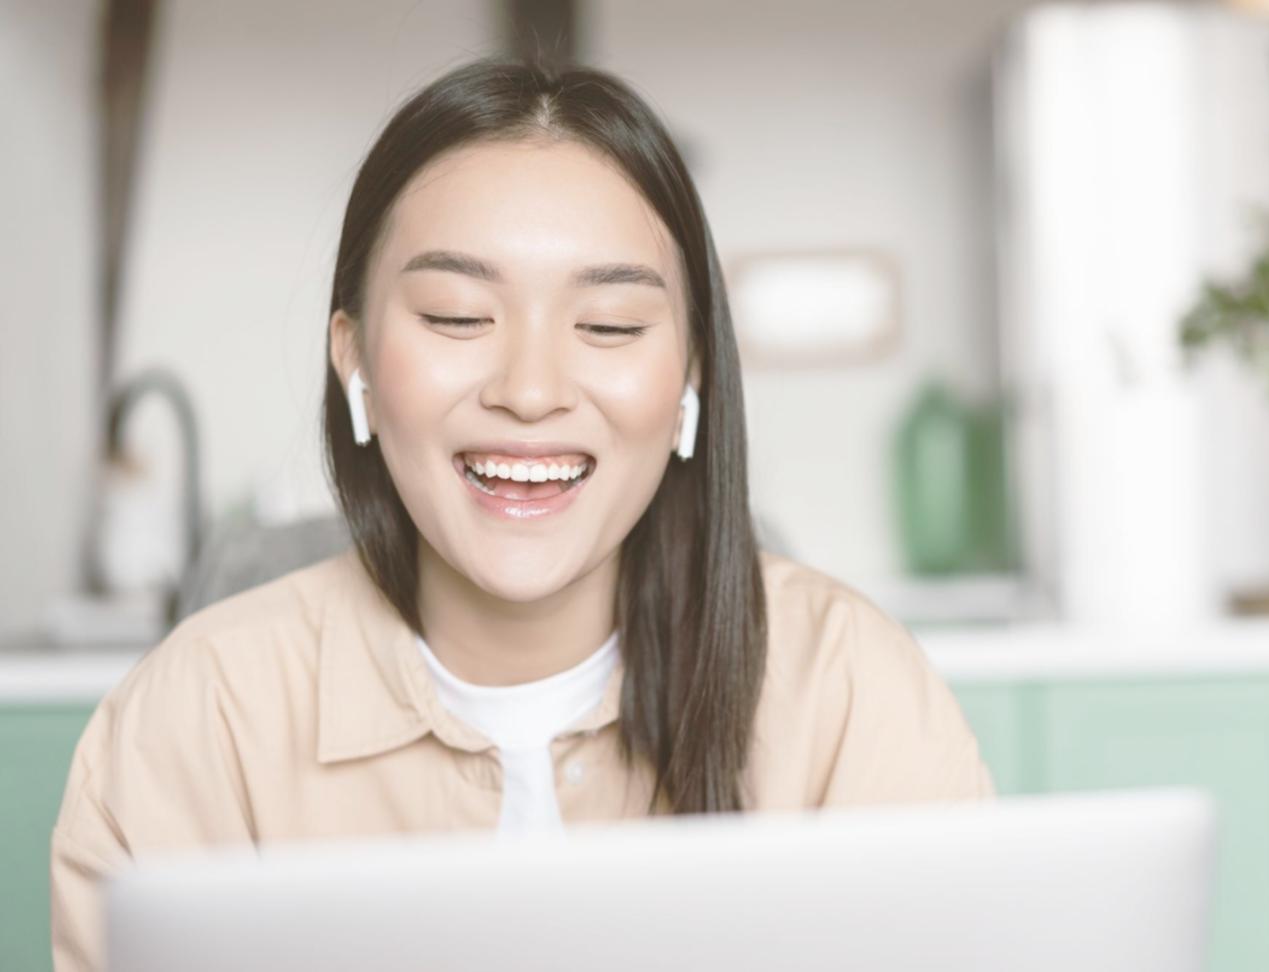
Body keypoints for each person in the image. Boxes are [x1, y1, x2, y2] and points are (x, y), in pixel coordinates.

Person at [50, 54, 995, 972]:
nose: (532, 390)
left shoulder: (850, 694)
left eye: (611, 326)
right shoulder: (192, 722)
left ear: (692, 376)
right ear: (356, 361)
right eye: (459, 317)